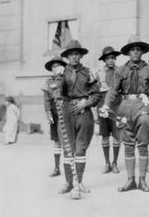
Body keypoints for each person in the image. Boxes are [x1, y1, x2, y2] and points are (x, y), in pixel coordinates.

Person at [100, 36, 149, 192]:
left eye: (138, 49)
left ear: (142, 52)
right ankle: (130, 180)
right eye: (133, 49)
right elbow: (113, 91)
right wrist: (106, 105)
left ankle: (142, 180)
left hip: (143, 105)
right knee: (128, 145)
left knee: (143, 143)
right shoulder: (121, 70)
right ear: (128, 52)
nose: (136, 52)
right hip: (125, 106)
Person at [55, 40, 101, 194]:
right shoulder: (62, 73)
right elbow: (57, 94)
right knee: (68, 149)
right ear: (67, 56)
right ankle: (69, 183)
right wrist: (58, 84)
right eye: (71, 54)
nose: (74, 57)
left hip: (84, 112)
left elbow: (96, 94)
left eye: (76, 54)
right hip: (67, 111)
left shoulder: (88, 72)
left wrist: (86, 103)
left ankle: (79, 182)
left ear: (80, 55)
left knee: (81, 149)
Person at [95, 46, 121, 174]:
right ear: (104, 60)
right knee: (105, 135)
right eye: (108, 58)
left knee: (117, 134)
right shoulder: (99, 73)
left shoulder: (120, 71)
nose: (111, 60)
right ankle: (107, 163)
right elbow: (95, 92)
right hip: (102, 103)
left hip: (116, 103)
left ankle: (115, 162)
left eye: (113, 58)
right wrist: (96, 112)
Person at [42, 55, 67, 177]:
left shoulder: (68, 78)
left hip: (66, 109)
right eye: (54, 66)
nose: (56, 68)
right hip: (55, 111)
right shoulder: (48, 82)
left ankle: (71, 166)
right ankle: (57, 167)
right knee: (57, 139)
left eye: (59, 65)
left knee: (68, 138)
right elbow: (46, 100)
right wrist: (48, 113)